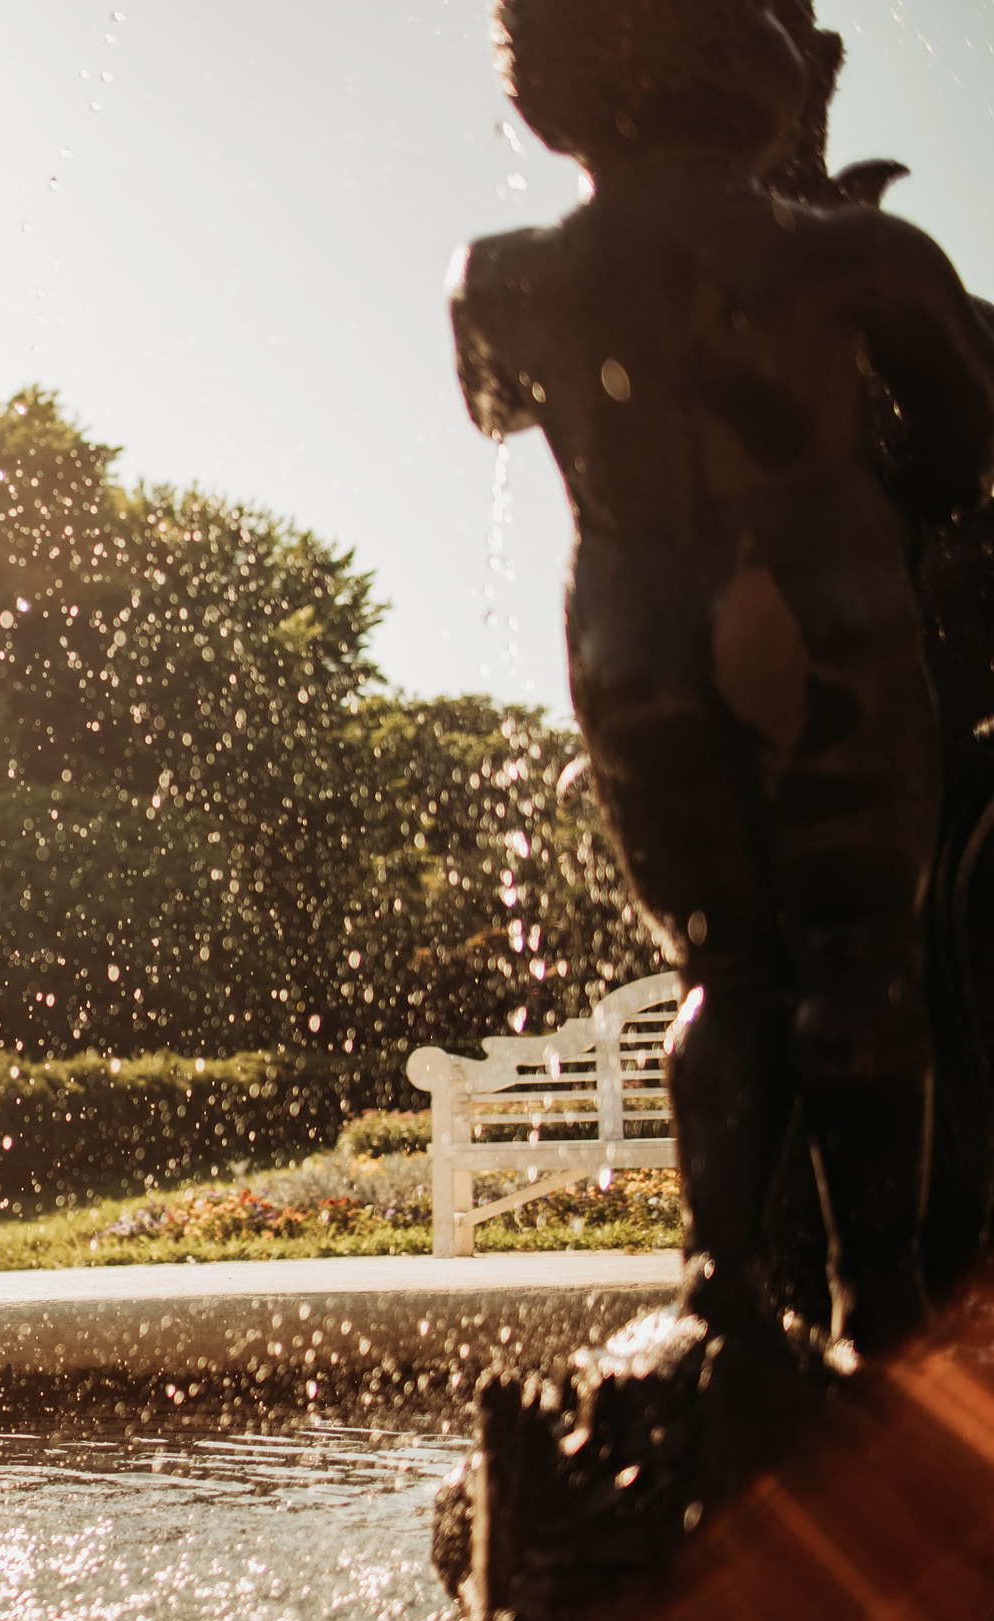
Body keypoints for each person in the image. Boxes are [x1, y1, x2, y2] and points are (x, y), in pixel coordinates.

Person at [449, 0, 994, 1352]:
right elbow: (974, 442)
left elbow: (499, 404)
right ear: (759, 73)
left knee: (722, 963)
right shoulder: (859, 259)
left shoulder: (504, 275)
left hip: (632, 642)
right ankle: (877, 1302)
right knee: (859, 955)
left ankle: (723, 1286)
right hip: (826, 626)